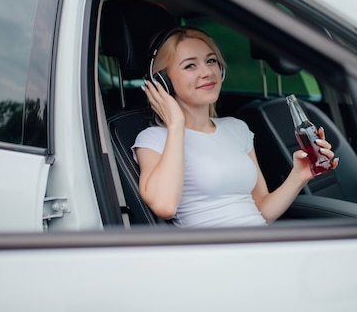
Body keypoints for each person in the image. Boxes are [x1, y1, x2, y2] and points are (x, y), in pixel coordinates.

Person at [132, 26, 338, 228]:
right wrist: (176, 124)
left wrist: (300, 176)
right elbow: (165, 206)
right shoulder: (153, 139)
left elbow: (261, 212)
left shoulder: (237, 128)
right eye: (190, 66)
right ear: (163, 81)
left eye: (211, 61)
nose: (207, 72)